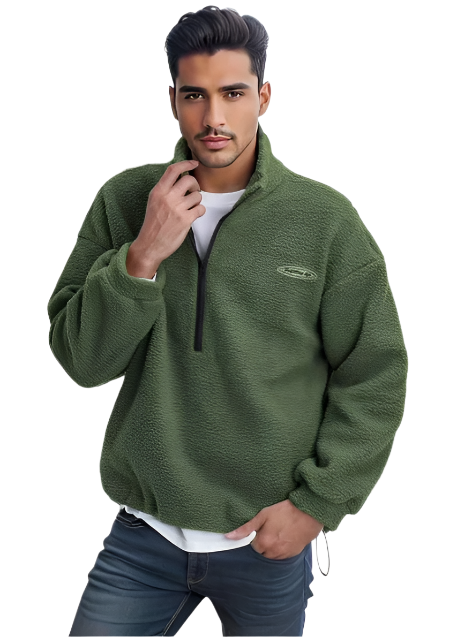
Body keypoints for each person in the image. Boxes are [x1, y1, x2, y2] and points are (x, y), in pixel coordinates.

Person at [47, 5, 408, 636]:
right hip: (144, 537)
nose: (213, 117)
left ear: (263, 97)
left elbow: (374, 373)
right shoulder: (127, 200)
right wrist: (142, 255)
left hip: (265, 541)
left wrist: (316, 506)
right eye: (195, 95)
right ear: (173, 101)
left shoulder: (325, 221)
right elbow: (82, 361)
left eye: (233, 93)